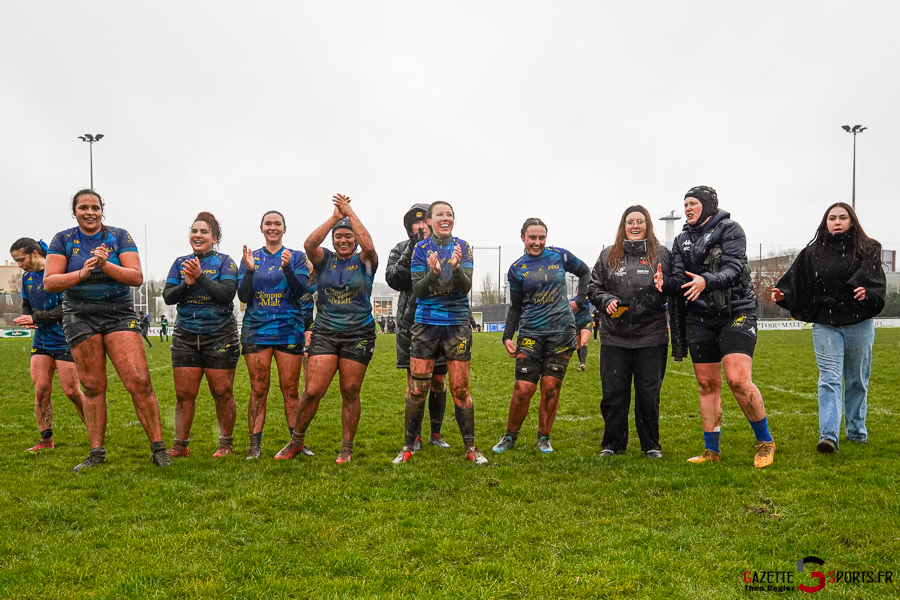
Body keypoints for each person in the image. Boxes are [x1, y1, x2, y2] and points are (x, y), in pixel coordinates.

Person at [44, 189, 171, 470]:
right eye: (83, 207)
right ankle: (96, 454)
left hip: (118, 313)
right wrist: (81, 273)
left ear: (103, 210)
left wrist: (106, 264)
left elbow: (136, 277)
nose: (90, 212)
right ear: (74, 211)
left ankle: (159, 450)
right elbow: (50, 282)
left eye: (95, 207)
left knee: (139, 382)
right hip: (79, 315)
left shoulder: (119, 236)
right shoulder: (63, 239)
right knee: (91, 386)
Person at [659, 186, 775, 468]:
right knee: (707, 384)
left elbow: (734, 268)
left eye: (693, 203)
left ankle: (765, 442)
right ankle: (712, 450)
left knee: (737, 380)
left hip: (735, 312)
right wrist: (664, 285)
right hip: (699, 318)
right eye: (685, 204)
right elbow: (678, 280)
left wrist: (706, 280)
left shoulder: (730, 229)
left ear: (708, 205)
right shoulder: (681, 239)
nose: (688, 208)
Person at [772, 202, 885, 453]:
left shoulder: (868, 249)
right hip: (826, 324)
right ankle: (829, 436)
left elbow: (875, 281)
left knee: (857, 381)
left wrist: (867, 291)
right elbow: (796, 282)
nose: (837, 222)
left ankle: (857, 432)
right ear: (825, 222)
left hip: (859, 323)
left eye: (842, 217)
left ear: (851, 221)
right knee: (829, 378)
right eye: (832, 218)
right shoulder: (813, 252)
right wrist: (784, 295)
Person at [276, 194, 377, 464]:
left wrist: (350, 213)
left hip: (359, 334)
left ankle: (347, 447)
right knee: (312, 390)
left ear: (355, 239)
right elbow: (309, 243)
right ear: (333, 240)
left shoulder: (365, 261)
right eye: (338, 237)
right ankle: (296, 441)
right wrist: (334, 217)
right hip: (326, 333)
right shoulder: (324, 261)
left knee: (350, 390)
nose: (343, 240)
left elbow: (369, 244)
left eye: (348, 237)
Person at [392, 201, 485, 464]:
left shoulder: (463, 247)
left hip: (457, 325)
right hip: (425, 325)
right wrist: (434, 273)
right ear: (430, 221)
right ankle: (408, 445)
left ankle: (471, 448)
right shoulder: (420, 249)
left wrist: (454, 269)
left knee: (460, 388)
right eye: (440, 215)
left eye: (450, 214)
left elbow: (465, 287)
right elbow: (419, 290)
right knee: (418, 388)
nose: (445, 218)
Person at [492, 218, 590, 454]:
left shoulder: (560, 256)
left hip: (561, 332)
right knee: (523, 388)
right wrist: (507, 335)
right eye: (532, 237)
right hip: (531, 333)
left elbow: (585, 272)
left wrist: (580, 300)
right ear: (523, 238)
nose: (537, 242)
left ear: (546, 237)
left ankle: (544, 437)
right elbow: (515, 307)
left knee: (550, 386)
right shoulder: (516, 269)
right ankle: (509, 437)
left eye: (541, 237)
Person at [587, 206, 670, 458]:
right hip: (615, 337)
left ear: (648, 225)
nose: (635, 226)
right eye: (630, 222)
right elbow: (593, 287)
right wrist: (605, 300)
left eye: (640, 222)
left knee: (648, 394)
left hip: (652, 336)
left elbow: (675, 286)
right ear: (623, 226)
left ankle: (651, 445)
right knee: (613, 393)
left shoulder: (662, 254)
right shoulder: (608, 255)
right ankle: (613, 444)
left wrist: (664, 287)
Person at [163, 212, 240, 458]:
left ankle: (225, 443)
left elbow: (226, 294)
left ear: (214, 238)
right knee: (184, 394)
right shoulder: (180, 262)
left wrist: (200, 277)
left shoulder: (226, 262)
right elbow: (168, 296)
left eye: (204, 231)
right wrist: (186, 283)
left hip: (220, 336)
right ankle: (180, 445)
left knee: (222, 392)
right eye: (194, 231)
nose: (198, 235)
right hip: (186, 336)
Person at [238, 210, 310, 459]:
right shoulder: (251, 257)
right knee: (258, 389)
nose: (273, 227)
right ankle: (254, 446)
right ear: (261, 228)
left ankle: (296, 443)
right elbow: (244, 297)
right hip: (256, 331)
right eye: (268, 223)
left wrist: (288, 268)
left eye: (277, 224)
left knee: (290, 389)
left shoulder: (297, 257)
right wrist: (248, 271)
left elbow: (301, 291)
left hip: (288, 330)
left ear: (284, 229)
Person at [10, 238, 86, 451]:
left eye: (21, 259)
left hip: (64, 339)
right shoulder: (26, 278)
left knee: (71, 391)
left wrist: (36, 318)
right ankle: (45, 440)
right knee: (41, 389)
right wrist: (27, 317)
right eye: (16, 261)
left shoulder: (58, 274)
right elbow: (27, 303)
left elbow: (66, 308)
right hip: (41, 341)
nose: (19, 265)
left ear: (35, 254)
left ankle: (94, 431)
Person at [385, 203, 450, 454]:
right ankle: (416, 435)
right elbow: (394, 280)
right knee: (414, 382)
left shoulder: (447, 247)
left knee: (439, 381)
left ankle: (436, 432)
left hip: (441, 323)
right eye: (416, 223)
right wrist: (412, 248)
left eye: (425, 221)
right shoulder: (400, 249)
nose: (421, 226)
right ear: (409, 226)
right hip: (411, 325)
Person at [571, 295, 593, 371]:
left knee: (584, 342)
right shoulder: (573, 300)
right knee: (578, 346)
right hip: (576, 324)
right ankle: (581, 362)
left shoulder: (588, 300)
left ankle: (583, 363)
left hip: (587, 322)